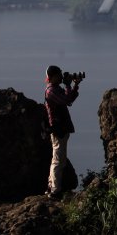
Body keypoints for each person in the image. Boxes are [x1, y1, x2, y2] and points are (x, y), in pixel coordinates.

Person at [44, 64, 79, 197]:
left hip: (62, 128)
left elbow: (70, 100)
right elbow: (66, 99)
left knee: (59, 160)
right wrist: (69, 85)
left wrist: (74, 85)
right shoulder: (51, 91)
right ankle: (54, 190)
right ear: (52, 77)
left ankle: (51, 186)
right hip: (58, 129)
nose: (61, 77)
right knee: (58, 161)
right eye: (58, 75)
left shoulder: (56, 88)